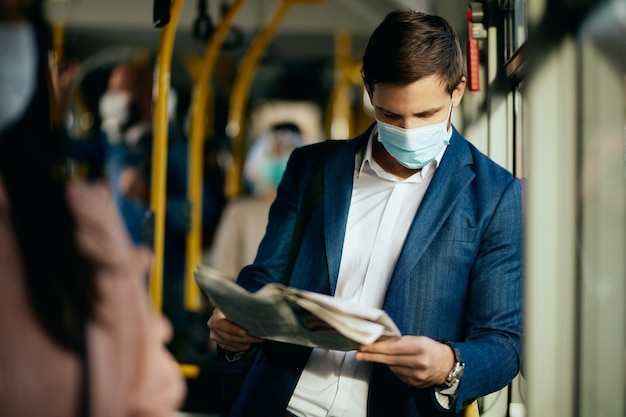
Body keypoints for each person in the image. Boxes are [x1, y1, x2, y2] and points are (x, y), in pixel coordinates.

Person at [208, 9, 523, 417]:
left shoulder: (496, 195)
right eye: (391, 115)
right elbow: (265, 275)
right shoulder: (312, 168)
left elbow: (503, 340)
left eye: (425, 115)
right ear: (369, 91)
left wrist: (448, 364)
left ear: (457, 91)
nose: (408, 130)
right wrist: (235, 321)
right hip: (278, 403)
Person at [0, 0, 186, 415]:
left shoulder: (172, 152)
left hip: (161, 268)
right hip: (116, 265)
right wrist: (61, 100)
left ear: (146, 98)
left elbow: (199, 214)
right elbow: (59, 151)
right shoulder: (112, 145)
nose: (111, 99)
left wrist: (154, 200)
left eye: (121, 91)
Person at [211, 122, 304, 278]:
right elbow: (223, 271)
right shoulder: (238, 211)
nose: (279, 159)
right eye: (273, 153)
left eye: (285, 151)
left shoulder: (310, 212)